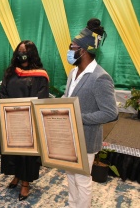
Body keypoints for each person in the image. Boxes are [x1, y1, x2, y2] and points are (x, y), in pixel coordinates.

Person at [63, 18, 118, 208]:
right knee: (70, 174)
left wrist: (78, 117)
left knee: (82, 180)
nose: (69, 51)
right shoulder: (73, 73)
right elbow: (68, 98)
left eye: (72, 47)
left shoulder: (100, 77)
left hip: (86, 138)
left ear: (83, 51)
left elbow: (111, 113)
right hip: (69, 136)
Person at [0, 40, 49, 201]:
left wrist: (27, 114)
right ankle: (16, 176)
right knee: (13, 151)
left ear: (31, 52)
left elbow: (42, 98)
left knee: (27, 154)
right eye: (19, 50)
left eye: (25, 50)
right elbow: (3, 92)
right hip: (12, 119)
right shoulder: (11, 72)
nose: (21, 53)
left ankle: (25, 183)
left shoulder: (40, 74)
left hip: (29, 121)